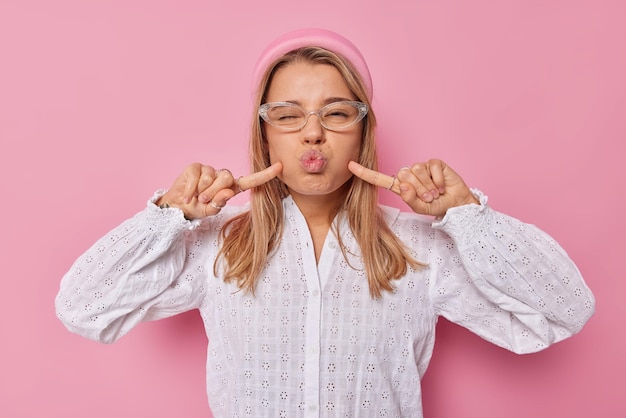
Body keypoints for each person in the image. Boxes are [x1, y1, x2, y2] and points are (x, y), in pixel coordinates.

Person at [55, 28, 595, 417]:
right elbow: (81, 307)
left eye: (336, 113)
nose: (313, 133)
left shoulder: (419, 248)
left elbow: (565, 312)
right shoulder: (216, 249)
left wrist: (466, 217)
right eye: (288, 115)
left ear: (363, 131)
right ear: (265, 134)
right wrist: (168, 218)